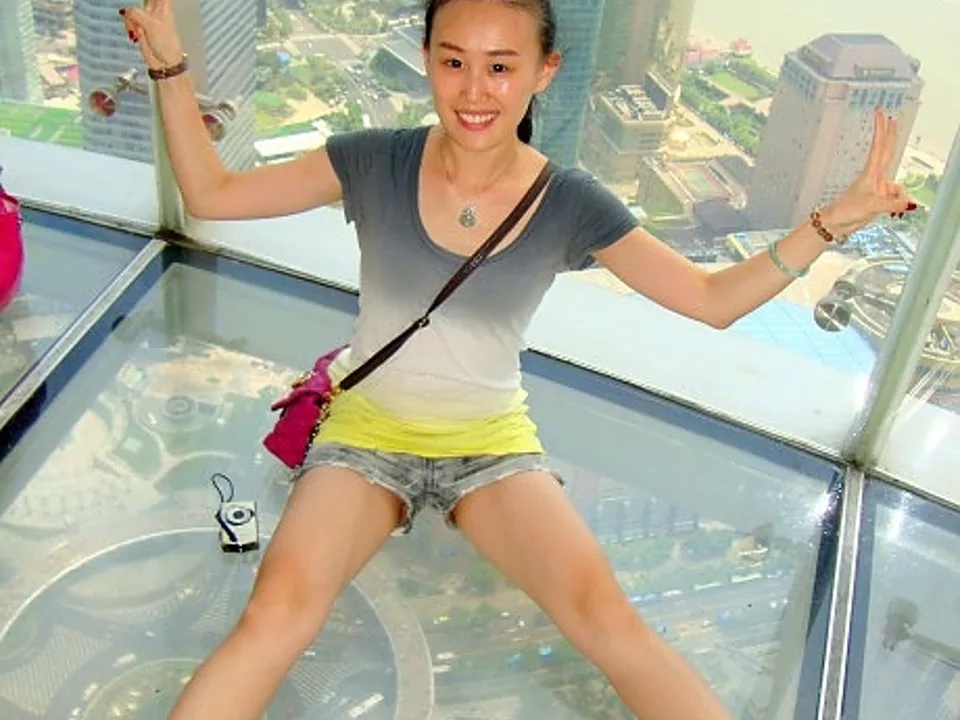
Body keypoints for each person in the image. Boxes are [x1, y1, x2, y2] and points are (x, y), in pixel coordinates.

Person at [120, 0, 914, 718]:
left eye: (501, 67)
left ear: (544, 71)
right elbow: (213, 194)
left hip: (491, 447)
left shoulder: (570, 203)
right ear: (426, 58)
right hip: (366, 434)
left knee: (607, 620)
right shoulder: (372, 161)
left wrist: (828, 224)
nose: (475, 90)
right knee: (276, 615)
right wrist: (169, 66)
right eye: (454, 60)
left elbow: (712, 300)